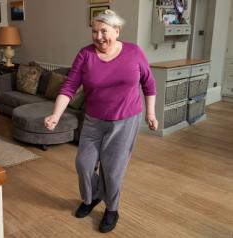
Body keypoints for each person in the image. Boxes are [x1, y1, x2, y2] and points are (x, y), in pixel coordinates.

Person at [44, 9, 158, 233]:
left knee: (112, 170)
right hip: (94, 120)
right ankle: (91, 197)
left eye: (103, 31)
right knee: (84, 164)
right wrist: (56, 115)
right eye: (94, 32)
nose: (98, 37)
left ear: (117, 31)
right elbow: (69, 87)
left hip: (125, 121)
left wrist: (151, 114)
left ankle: (112, 208)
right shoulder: (85, 55)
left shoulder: (133, 52)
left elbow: (149, 83)